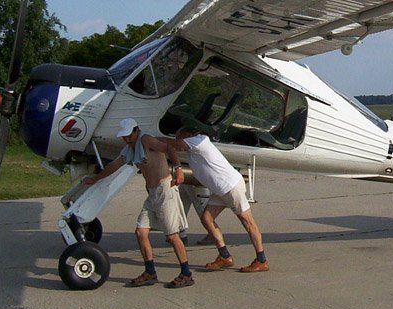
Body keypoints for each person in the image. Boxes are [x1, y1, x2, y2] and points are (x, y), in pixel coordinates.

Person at [82, 118, 194, 288]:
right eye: (124, 137)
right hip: (152, 193)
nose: (127, 139)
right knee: (141, 232)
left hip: (165, 190)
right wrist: (95, 179)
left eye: (129, 135)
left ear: (136, 130)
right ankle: (150, 272)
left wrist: (178, 169)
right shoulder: (129, 149)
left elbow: (168, 148)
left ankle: (186, 274)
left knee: (172, 236)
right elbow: (114, 165)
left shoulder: (146, 139)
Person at [162, 126, 269, 273]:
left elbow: (177, 145)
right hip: (220, 190)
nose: (177, 140)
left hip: (230, 187)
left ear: (186, 136)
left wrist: (151, 139)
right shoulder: (192, 150)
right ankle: (224, 256)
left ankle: (261, 260)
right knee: (206, 218)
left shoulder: (199, 141)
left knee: (248, 222)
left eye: (178, 137)